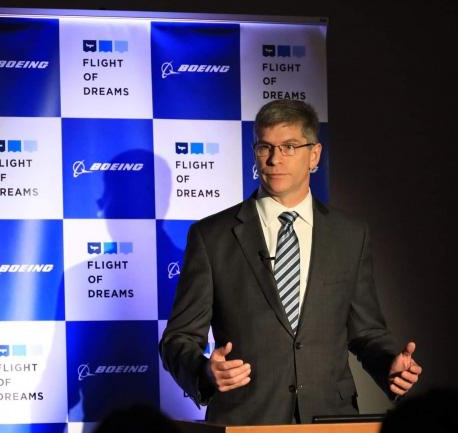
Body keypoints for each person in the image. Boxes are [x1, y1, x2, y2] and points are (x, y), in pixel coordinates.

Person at [159, 99, 422, 425]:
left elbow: (366, 331)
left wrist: (389, 366)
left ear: (314, 155)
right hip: (247, 420)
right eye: (265, 148)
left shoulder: (350, 235)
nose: (274, 159)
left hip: (329, 419)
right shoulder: (212, 236)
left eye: (289, 147)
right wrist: (206, 372)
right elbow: (178, 339)